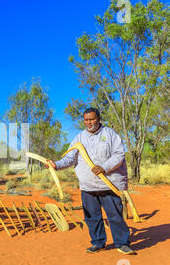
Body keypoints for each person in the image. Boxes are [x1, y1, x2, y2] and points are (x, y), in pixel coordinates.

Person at [46, 108, 135, 255]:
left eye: (92, 119)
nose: (89, 123)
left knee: (115, 215)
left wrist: (104, 167)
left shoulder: (110, 134)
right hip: (88, 186)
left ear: (99, 118)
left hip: (108, 184)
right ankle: (98, 243)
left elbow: (119, 155)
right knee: (92, 217)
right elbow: (70, 158)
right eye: (86, 120)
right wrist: (56, 165)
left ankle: (122, 243)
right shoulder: (79, 138)